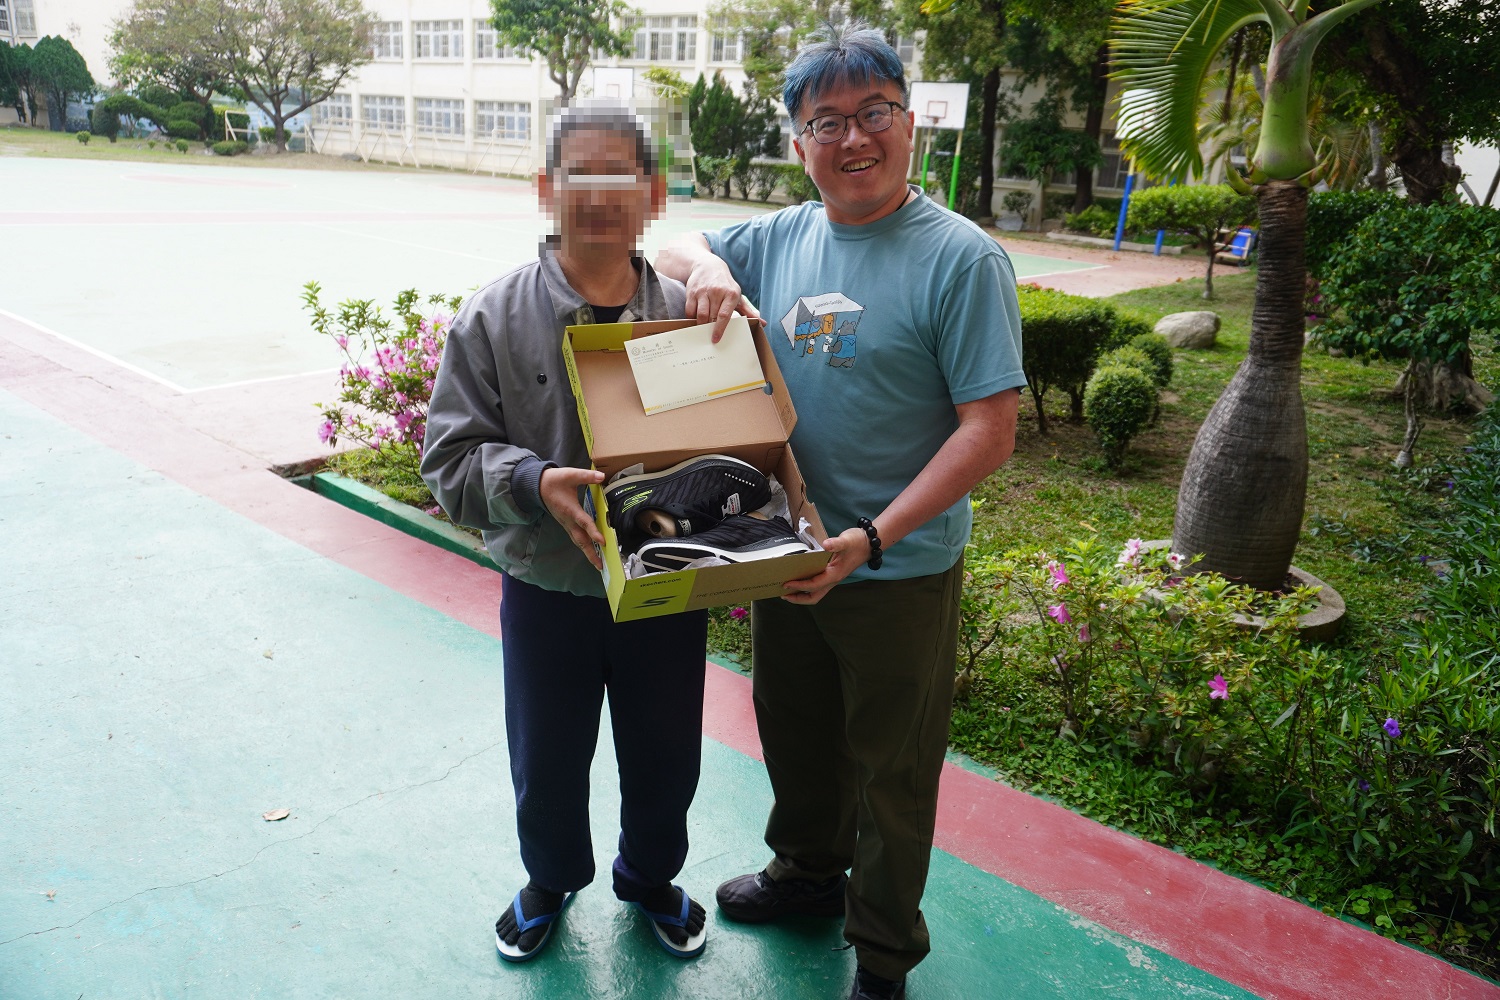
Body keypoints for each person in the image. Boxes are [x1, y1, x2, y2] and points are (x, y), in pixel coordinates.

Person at [655, 25, 1025, 1000]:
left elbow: (988, 430)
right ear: (797, 140)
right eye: (827, 121)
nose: (853, 138)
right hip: (783, 552)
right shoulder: (780, 235)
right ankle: (808, 874)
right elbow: (672, 237)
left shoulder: (962, 259)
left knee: (894, 773)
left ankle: (884, 950)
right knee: (795, 729)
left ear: (910, 124)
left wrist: (869, 539)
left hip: (895, 569)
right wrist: (706, 269)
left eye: (875, 114)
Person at [421, 102, 709, 963]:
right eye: (580, 173)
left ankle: (650, 877)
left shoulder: (690, 318)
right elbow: (447, 461)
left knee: (667, 757)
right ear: (548, 189)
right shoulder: (495, 317)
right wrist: (533, 481)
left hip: (666, 589)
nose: (601, 193)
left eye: (621, 174)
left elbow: (732, 451)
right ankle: (549, 880)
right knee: (545, 759)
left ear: (651, 193)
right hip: (548, 590)